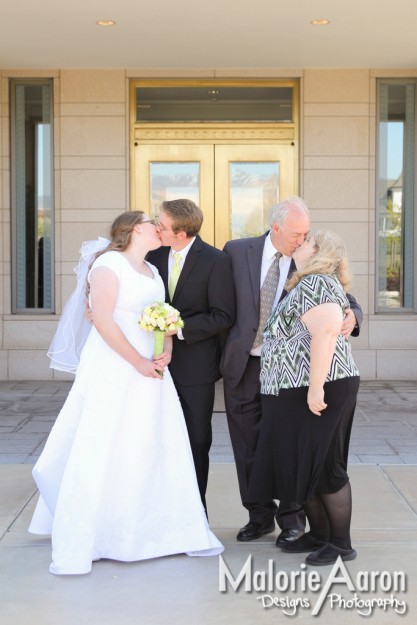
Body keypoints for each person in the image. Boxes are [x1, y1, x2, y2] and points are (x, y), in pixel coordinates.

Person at [29, 211, 223, 575]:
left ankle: (155, 529)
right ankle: (101, 532)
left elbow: (161, 315)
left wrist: (167, 346)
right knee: (107, 441)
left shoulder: (152, 270)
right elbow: (102, 320)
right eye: (153, 223)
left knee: (149, 440)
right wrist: (136, 361)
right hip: (116, 365)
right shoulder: (108, 266)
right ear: (136, 229)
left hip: (151, 368)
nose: (158, 228)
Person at [221, 197, 363, 544]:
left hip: (294, 375)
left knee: (290, 448)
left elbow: (338, 297)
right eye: (296, 233)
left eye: (306, 234)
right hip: (247, 365)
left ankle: (292, 520)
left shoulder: (310, 267)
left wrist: (354, 314)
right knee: (249, 446)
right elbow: (219, 301)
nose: (302, 239)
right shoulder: (237, 252)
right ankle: (258, 516)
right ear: (276, 228)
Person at [247, 230, 360, 565]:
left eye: (308, 241)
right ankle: (320, 534)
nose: (300, 243)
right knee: (303, 464)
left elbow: (325, 334)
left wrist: (315, 388)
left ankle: (340, 544)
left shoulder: (318, 283)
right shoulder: (306, 284)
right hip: (294, 389)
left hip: (318, 386)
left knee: (326, 465)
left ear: (320, 253)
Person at [147, 199, 235, 512]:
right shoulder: (151, 255)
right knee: (153, 439)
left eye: (162, 224)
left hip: (196, 369)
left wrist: (177, 328)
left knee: (196, 440)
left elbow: (222, 316)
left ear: (181, 233)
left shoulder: (215, 260)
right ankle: (158, 507)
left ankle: (196, 510)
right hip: (150, 365)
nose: (156, 227)